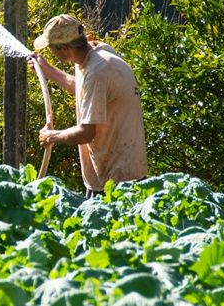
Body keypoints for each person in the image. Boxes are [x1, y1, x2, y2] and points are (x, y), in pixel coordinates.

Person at [28, 14, 147, 198]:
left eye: (51, 48)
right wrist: (47, 69)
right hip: (120, 174)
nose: (49, 51)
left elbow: (86, 132)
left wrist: (51, 136)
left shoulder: (97, 73)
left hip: (117, 183)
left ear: (64, 49)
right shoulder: (96, 52)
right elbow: (85, 90)